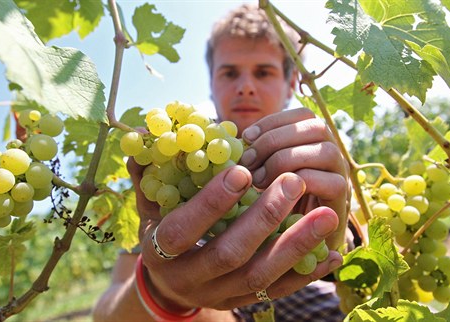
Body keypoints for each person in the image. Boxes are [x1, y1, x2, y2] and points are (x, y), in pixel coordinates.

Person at [93, 3, 349, 321]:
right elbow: (105, 313)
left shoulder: (325, 163)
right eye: (229, 72)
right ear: (212, 84)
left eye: (263, 71)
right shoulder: (171, 174)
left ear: (292, 83)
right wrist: (161, 293)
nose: (245, 86)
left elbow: (356, 282)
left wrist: (342, 244)